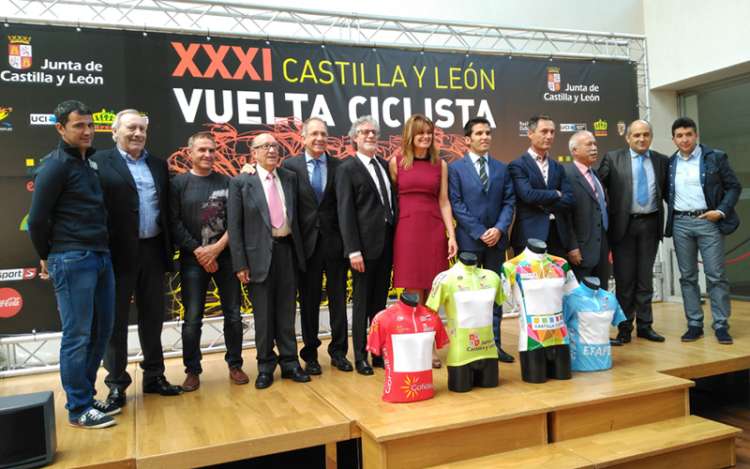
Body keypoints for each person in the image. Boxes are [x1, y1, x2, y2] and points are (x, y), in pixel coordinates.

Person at [28, 100, 117, 428]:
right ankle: (78, 408)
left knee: (101, 331)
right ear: (60, 128)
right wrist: (47, 255)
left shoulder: (89, 163)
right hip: (71, 257)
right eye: (79, 125)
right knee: (77, 335)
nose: (88, 131)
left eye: (90, 125)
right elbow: (36, 220)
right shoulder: (54, 166)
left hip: (101, 255)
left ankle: (86, 396)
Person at [93, 109, 182, 407]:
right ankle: (117, 384)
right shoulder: (99, 162)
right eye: (131, 128)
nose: (138, 134)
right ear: (114, 132)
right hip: (116, 254)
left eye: (142, 129)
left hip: (153, 251)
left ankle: (154, 376)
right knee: (115, 322)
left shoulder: (157, 164)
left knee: (153, 318)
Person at [228, 133, 309, 389]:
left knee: (286, 312)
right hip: (257, 256)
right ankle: (265, 366)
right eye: (265, 146)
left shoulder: (290, 177)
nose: (272, 150)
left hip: (287, 252)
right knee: (263, 316)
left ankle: (290, 363)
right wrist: (240, 263)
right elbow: (235, 226)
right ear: (254, 153)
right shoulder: (241, 182)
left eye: (275, 146)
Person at [170, 132, 248, 391]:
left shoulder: (228, 182)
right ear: (190, 153)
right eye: (202, 150)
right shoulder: (178, 184)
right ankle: (192, 370)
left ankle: (235, 364)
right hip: (193, 260)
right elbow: (173, 223)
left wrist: (216, 249)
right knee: (192, 319)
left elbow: (236, 221)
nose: (207, 155)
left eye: (212, 150)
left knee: (233, 315)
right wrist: (200, 252)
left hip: (226, 258)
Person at [283, 118, 352, 374]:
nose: (319, 138)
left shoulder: (340, 166)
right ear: (303, 137)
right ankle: (310, 354)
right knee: (309, 303)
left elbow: (344, 206)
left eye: (323, 134)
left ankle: (339, 352)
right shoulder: (289, 166)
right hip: (306, 247)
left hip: (335, 245)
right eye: (314, 134)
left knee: (338, 301)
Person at [665, 117, 741, 345]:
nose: (684, 139)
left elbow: (734, 187)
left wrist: (721, 211)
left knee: (716, 275)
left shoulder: (715, 157)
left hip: (709, 221)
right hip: (681, 223)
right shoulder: (670, 163)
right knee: (687, 277)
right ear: (673, 139)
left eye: (688, 134)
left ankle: (721, 324)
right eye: (679, 136)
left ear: (696, 135)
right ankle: (694, 324)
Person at [390, 114, 456, 368]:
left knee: (433, 289)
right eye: (421, 133)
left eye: (429, 133)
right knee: (413, 290)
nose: (426, 137)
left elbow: (444, 201)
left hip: (433, 229)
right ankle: (415, 343)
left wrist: (451, 235)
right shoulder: (396, 162)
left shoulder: (440, 164)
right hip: (407, 230)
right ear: (410, 135)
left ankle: (430, 347)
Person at [448, 116, 515, 363]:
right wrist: (479, 232)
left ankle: (495, 345)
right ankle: (471, 347)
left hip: (496, 243)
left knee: (493, 295)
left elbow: (509, 202)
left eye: (487, 132)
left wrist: (498, 229)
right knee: (469, 297)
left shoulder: (502, 168)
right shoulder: (455, 169)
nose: (485, 137)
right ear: (467, 140)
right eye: (479, 133)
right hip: (470, 242)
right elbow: (456, 204)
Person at [597, 120, 668, 343]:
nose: (641, 139)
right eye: (636, 135)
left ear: (651, 137)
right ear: (627, 138)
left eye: (646, 134)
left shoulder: (661, 161)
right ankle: (624, 328)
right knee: (625, 281)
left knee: (645, 280)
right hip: (623, 227)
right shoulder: (613, 158)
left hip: (650, 225)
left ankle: (645, 326)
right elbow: (596, 187)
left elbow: (668, 192)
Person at [336, 116, 397, 376]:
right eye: (364, 132)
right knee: (361, 305)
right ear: (354, 138)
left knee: (379, 305)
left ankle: (377, 352)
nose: (371, 136)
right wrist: (353, 250)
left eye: (374, 132)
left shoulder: (383, 164)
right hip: (362, 249)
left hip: (386, 246)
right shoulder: (346, 169)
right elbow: (345, 212)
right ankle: (360, 355)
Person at [509, 114, 575, 258]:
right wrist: (556, 194)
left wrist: (542, 202)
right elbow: (528, 195)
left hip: (558, 237)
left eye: (552, 132)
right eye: (544, 131)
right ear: (530, 134)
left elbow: (569, 199)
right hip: (529, 236)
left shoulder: (558, 167)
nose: (549, 136)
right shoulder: (517, 165)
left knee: (558, 274)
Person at [563, 131, 610, 288]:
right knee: (582, 297)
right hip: (581, 250)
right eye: (589, 144)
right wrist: (572, 246)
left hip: (601, 247)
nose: (594, 148)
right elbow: (565, 215)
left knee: (601, 294)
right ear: (574, 150)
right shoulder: (567, 175)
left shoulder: (595, 174)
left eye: (595, 144)